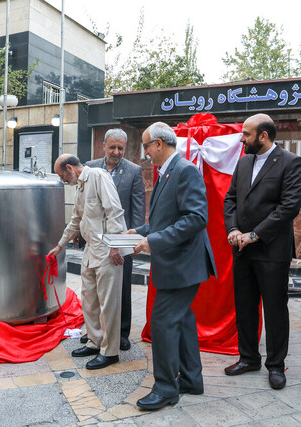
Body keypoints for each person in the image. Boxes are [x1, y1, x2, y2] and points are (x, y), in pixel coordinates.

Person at [129, 122, 216, 410]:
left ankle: (166, 388)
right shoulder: (168, 170)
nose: (144, 153)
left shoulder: (184, 170)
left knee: (164, 323)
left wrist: (153, 241)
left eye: (145, 146)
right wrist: (141, 231)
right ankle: (191, 379)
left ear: (158, 143)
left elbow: (196, 218)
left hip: (183, 264)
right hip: (177, 263)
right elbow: (164, 219)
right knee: (183, 321)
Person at [223, 113, 301, 390]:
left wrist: (255, 234)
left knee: (274, 310)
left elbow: (289, 207)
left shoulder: (291, 162)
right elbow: (231, 198)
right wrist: (233, 230)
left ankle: (276, 366)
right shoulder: (244, 162)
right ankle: (248, 358)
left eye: (246, 134)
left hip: (271, 250)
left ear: (263, 136)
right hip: (241, 249)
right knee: (245, 307)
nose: (241, 138)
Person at [48, 154, 127, 370]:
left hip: (107, 250)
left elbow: (114, 211)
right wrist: (60, 245)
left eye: (61, 175)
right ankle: (94, 342)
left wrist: (115, 245)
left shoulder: (99, 177)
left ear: (71, 168)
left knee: (108, 303)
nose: (62, 180)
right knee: (89, 299)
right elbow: (76, 218)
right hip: (90, 250)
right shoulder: (80, 186)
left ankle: (110, 352)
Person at [85, 128, 145, 351]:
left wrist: (133, 242)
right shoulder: (90, 168)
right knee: (94, 291)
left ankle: (121, 332)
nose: (117, 152)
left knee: (122, 289)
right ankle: (96, 333)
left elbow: (137, 211)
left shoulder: (134, 171)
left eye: (121, 148)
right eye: (112, 147)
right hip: (95, 241)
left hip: (120, 241)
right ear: (103, 146)